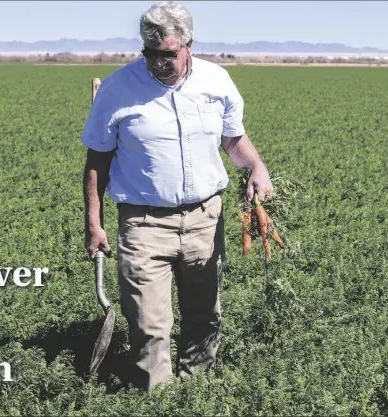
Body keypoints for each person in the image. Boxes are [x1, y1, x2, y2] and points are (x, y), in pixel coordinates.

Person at [81, 1, 274, 391]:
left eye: (167, 53)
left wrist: (256, 167)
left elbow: (233, 139)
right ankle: (159, 399)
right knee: (149, 326)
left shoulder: (216, 81)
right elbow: (96, 161)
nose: (158, 62)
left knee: (204, 316)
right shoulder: (118, 88)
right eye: (149, 54)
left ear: (188, 44)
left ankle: (197, 393)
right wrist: (93, 222)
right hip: (143, 223)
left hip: (206, 218)